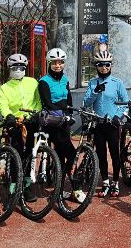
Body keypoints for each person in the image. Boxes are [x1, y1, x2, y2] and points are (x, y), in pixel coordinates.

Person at [37, 48, 81, 202]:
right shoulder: (44, 81)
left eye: (60, 62)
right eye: (54, 63)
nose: (57, 65)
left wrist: (70, 114)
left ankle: (60, 188)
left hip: (64, 121)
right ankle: (74, 187)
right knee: (71, 152)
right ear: (49, 63)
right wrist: (63, 116)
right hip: (52, 121)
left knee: (62, 154)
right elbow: (48, 103)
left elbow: (68, 100)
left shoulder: (65, 80)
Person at [0, 53, 42, 201]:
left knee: (29, 154)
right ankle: (13, 186)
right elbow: (2, 104)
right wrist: (8, 115)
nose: (18, 70)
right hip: (14, 123)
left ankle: (26, 186)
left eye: (21, 67)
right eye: (15, 68)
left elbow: (38, 101)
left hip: (30, 122)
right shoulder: (5, 88)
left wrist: (34, 114)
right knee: (16, 154)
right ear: (10, 69)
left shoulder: (33, 82)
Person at [83, 48, 128, 198]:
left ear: (110, 66)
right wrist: (95, 91)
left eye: (107, 64)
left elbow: (125, 102)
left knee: (115, 153)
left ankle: (115, 182)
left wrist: (118, 116)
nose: (104, 67)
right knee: (101, 154)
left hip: (113, 123)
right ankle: (105, 182)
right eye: (101, 64)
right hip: (99, 123)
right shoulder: (92, 83)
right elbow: (86, 103)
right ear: (96, 66)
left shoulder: (117, 82)